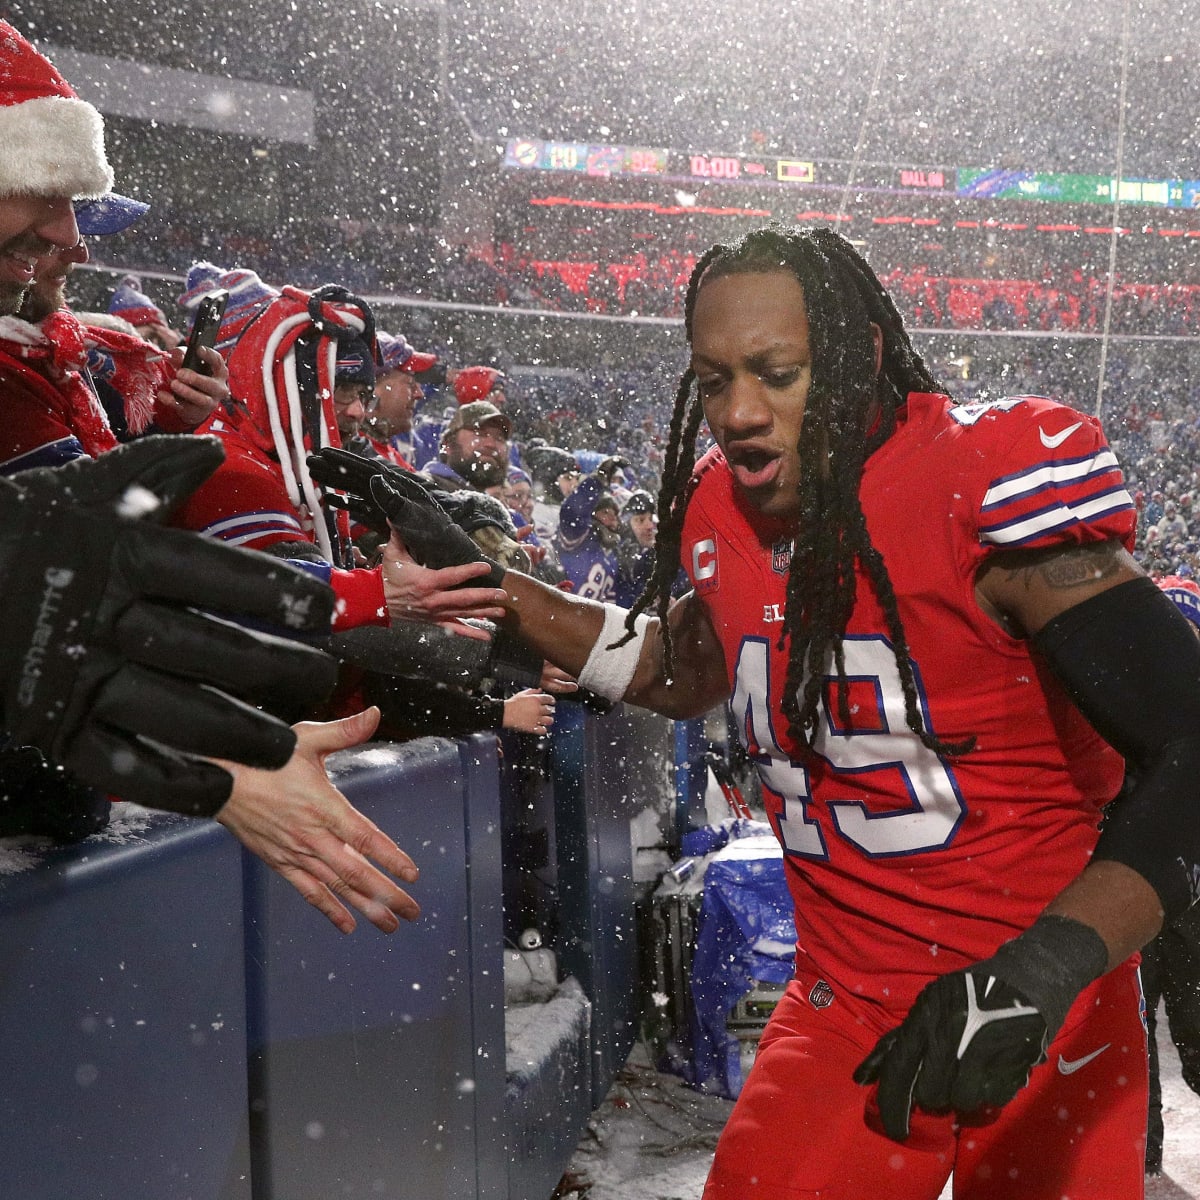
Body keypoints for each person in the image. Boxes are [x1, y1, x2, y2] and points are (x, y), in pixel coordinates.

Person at [363, 224, 1200, 1198]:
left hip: (1041, 994)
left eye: (775, 371)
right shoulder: (727, 505)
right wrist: (502, 590)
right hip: (845, 1002)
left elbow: (1191, 738)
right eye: (715, 380)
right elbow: (683, 665)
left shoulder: (983, 477)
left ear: (860, 355)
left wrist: (1041, 975)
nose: (739, 411)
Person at [1142, 574, 1200, 1175]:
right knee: (1132, 1037)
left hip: (1193, 896)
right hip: (1129, 893)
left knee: (1199, 1027)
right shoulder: (1113, 700)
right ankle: (1143, 1157)